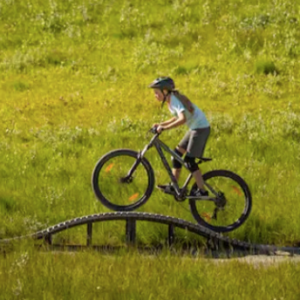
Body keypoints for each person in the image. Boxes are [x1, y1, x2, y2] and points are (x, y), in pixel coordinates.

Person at [149, 77, 210, 196]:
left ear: (165, 91)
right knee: (176, 156)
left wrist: (165, 128)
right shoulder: (170, 101)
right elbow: (177, 117)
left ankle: (202, 191)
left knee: (189, 161)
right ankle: (174, 186)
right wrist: (161, 124)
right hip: (194, 128)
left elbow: (182, 119)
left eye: (156, 92)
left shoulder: (174, 100)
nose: (155, 95)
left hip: (200, 129)